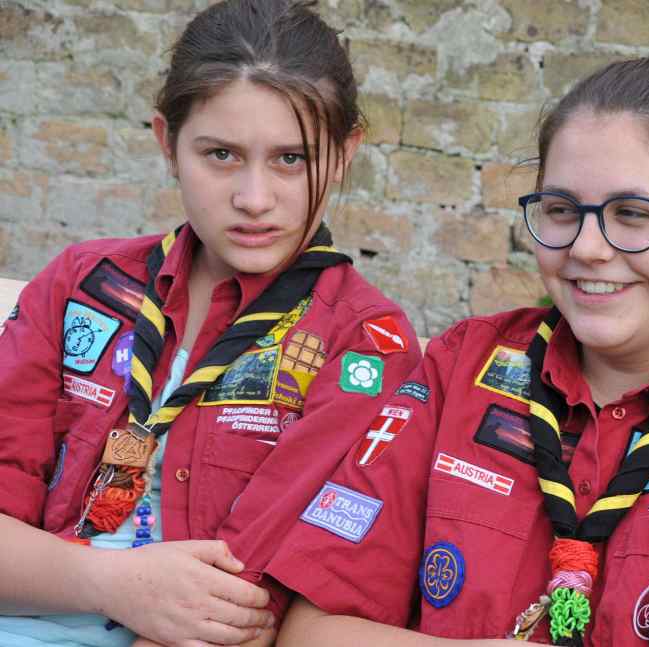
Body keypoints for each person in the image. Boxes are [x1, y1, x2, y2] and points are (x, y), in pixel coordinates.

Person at [268, 56, 649, 646]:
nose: (587, 248)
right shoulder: (466, 365)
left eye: (633, 214)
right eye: (563, 210)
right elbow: (313, 631)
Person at [0, 1, 420, 645]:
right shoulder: (81, 283)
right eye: (221, 154)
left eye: (291, 159)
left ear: (344, 153)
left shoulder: (364, 343)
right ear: (166, 142)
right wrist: (109, 583)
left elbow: (242, 602)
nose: (254, 199)